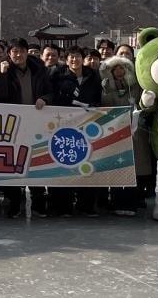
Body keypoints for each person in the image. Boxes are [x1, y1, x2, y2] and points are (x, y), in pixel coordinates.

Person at [0, 38, 52, 218]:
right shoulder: (4, 70)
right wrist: (1, 75)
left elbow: (50, 91)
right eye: (14, 52)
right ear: (9, 54)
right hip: (13, 126)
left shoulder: (40, 70)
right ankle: (14, 205)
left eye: (21, 51)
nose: (18, 55)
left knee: (37, 162)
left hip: (36, 124)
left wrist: (45, 99)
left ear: (27, 52)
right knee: (14, 165)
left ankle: (38, 203)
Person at [48, 46, 102, 217]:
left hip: (87, 126)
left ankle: (86, 205)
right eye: (70, 57)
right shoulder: (58, 75)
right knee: (65, 163)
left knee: (88, 162)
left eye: (77, 56)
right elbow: (53, 97)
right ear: (66, 59)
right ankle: (63, 206)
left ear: (83, 58)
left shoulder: (92, 76)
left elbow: (98, 98)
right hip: (64, 125)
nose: (74, 60)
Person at [99, 53, 144, 216]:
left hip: (133, 131)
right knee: (116, 165)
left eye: (122, 67)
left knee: (133, 167)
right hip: (114, 131)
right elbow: (105, 105)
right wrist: (105, 90)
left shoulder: (135, 85)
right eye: (115, 68)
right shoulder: (106, 86)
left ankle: (131, 203)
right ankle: (116, 202)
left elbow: (141, 102)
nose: (118, 71)